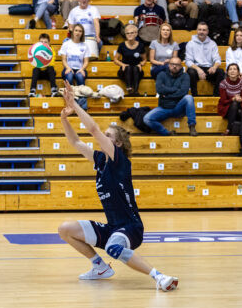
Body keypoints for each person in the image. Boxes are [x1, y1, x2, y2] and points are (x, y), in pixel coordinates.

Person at [58, 80, 179, 291]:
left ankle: (159, 277)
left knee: (114, 247)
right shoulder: (100, 159)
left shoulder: (119, 160)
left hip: (131, 228)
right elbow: (76, 143)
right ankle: (100, 267)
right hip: (113, 226)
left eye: (108, 136)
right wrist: (64, 118)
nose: (103, 138)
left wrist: (75, 105)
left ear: (118, 144)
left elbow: (93, 129)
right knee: (65, 229)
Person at [144, 57, 197, 136]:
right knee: (147, 119)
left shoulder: (185, 76)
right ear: (169, 65)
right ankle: (166, 132)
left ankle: (192, 126)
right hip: (164, 107)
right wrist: (176, 89)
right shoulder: (161, 75)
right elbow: (159, 90)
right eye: (172, 64)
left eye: (177, 65)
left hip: (178, 108)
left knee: (188, 98)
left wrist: (167, 95)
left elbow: (183, 92)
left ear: (181, 66)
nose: (174, 66)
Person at [185, 22, 225, 96]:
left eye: (204, 30)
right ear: (196, 31)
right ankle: (194, 96)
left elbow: (217, 59)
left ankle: (216, 96)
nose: (201, 32)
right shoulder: (190, 44)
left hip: (209, 69)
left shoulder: (212, 43)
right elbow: (188, 61)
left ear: (207, 32)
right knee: (190, 72)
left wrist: (214, 67)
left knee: (221, 72)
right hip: (196, 69)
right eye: (199, 29)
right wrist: (198, 69)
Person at [59, 24, 90, 109]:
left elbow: (86, 61)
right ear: (73, 31)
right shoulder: (66, 44)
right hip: (68, 68)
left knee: (80, 76)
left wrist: (82, 69)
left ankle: (83, 104)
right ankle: (71, 102)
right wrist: (68, 67)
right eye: (76, 30)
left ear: (82, 33)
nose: (78, 33)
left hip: (80, 68)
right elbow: (64, 59)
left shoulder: (85, 45)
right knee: (69, 76)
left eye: (80, 31)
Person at [114, 24, 146, 96]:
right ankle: (129, 89)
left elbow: (144, 59)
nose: (129, 35)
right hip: (124, 72)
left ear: (136, 34)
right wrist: (122, 65)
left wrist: (140, 64)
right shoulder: (122, 45)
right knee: (128, 67)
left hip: (137, 72)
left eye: (132, 33)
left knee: (135, 68)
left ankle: (136, 91)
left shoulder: (141, 45)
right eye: (127, 33)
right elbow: (115, 59)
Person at [218, 63, 242, 135]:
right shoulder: (223, 83)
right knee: (234, 104)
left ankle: (233, 130)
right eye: (230, 69)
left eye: (235, 69)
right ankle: (229, 129)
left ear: (238, 72)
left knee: (239, 111)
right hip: (225, 108)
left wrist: (239, 99)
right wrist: (233, 99)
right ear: (227, 72)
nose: (232, 71)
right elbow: (223, 101)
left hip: (238, 107)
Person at [28, 33, 59, 97]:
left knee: (51, 68)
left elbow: (52, 63)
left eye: (45, 42)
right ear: (38, 42)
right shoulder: (35, 50)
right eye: (41, 42)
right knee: (35, 69)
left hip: (48, 73)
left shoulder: (51, 50)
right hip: (39, 73)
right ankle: (32, 90)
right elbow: (34, 64)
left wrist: (43, 61)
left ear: (49, 43)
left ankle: (54, 90)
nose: (43, 43)